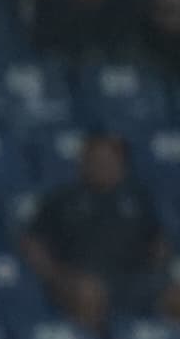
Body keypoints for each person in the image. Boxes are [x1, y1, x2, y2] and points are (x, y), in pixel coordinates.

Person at [23, 131, 173, 328]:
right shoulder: (62, 198)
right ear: (83, 163)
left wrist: (159, 270)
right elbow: (32, 243)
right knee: (88, 293)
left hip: (135, 279)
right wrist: (57, 277)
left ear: (122, 164)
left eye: (110, 159)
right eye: (96, 159)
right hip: (82, 279)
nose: (104, 165)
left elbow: (158, 241)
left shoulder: (139, 198)